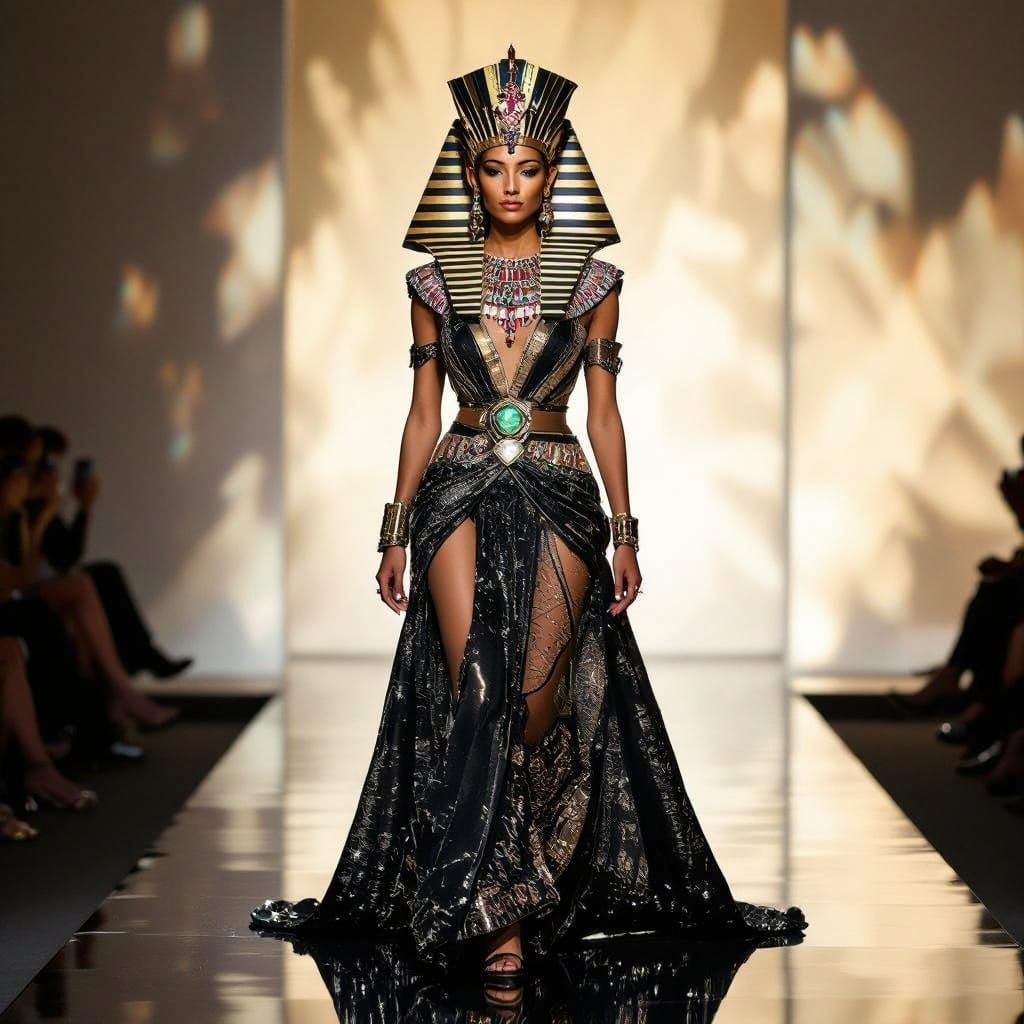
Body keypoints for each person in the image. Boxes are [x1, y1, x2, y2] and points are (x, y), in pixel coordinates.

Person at [249, 46, 807, 1000]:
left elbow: (605, 415)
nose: (511, 182)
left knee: (538, 709)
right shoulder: (432, 283)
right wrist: (393, 529)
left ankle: (534, 880)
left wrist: (626, 531)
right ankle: (498, 916)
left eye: (529, 165)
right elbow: (422, 412)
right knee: (480, 690)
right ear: (469, 177)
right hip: (456, 483)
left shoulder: (594, 281)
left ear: (555, 176)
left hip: (560, 489)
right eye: (493, 165)